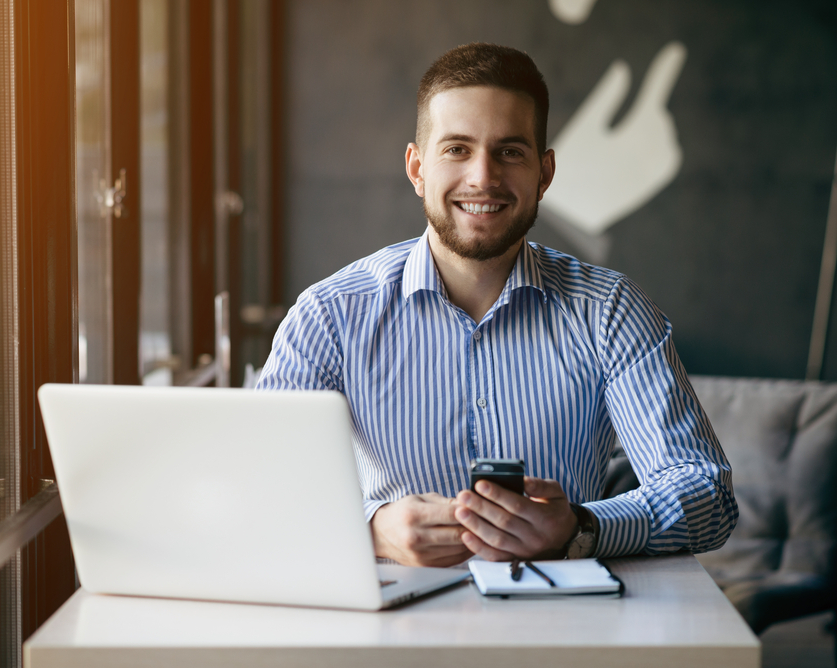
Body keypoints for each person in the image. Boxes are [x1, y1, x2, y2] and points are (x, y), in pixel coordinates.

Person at [257, 43, 737, 568]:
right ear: (417, 169)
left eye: (509, 151)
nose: (483, 177)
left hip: (563, 627)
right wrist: (371, 530)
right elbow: (258, 490)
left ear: (544, 173)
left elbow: (708, 496)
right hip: (388, 634)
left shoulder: (610, 310)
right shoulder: (328, 316)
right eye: (457, 149)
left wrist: (582, 526)